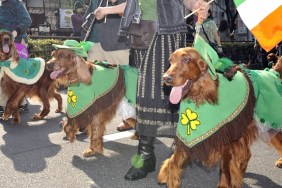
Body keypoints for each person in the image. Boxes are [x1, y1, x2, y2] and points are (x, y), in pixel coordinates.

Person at [95, 0, 209, 181]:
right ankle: (151, 154)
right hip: (141, 34)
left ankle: (155, 154)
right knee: (147, 93)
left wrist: (195, 4)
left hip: (166, 34)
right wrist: (107, 10)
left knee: (157, 91)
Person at [83, 0, 136, 132]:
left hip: (120, 44)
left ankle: (130, 119)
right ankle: (86, 119)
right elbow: (89, 18)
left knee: (124, 85)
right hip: (96, 44)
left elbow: (131, 9)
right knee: (93, 84)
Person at [0, 0, 32, 116]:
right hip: (2, 44)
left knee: (19, 73)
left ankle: (21, 102)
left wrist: (14, 32)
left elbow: (27, 20)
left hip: (18, 42)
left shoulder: (17, 3)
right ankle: (3, 104)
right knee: (3, 73)